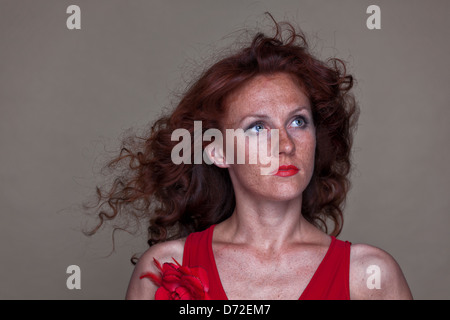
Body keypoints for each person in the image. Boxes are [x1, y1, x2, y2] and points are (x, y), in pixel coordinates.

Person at [87, 15, 413, 300]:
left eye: (298, 121)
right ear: (217, 150)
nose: (285, 144)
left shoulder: (370, 276)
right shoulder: (165, 269)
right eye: (257, 127)